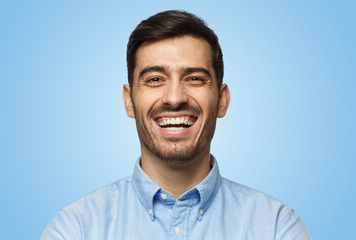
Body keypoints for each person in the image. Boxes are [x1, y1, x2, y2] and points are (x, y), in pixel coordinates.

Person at [41, 10, 311, 240]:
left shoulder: (277, 228)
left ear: (222, 100)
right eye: (155, 79)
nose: (174, 98)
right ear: (128, 101)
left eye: (194, 79)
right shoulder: (75, 229)